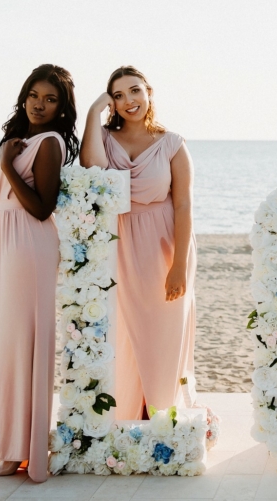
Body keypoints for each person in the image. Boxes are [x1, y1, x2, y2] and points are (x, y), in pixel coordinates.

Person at [0, 64, 78, 479]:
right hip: (6, 242)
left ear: (62, 107)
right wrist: (9, 157)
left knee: (17, 345)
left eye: (50, 99)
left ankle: (15, 448)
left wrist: (9, 166)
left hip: (29, 244)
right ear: (24, 94)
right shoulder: (21, 137)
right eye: (34, 95)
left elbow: (43, 207)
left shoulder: (49, 142)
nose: (40, 104)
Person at [80, 66, 196, 419]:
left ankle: (165, 417)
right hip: (118, 243)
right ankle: (125, 417)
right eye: (118, 95)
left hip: (164, 245)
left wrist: (178, 265)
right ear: (111, 103)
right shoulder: (102, 137)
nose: (129, 101)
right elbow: (91, 168)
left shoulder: (172, 143)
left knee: (163, 335)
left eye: (135, 91)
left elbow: (184, 204)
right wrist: (91, 113)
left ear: (149, 93)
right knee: (121, 334)